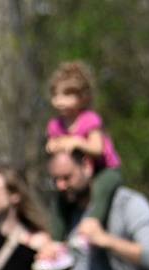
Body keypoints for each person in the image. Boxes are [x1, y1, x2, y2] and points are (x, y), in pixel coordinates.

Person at [48, 150, 149, 270]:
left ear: (87, 166)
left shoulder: (127, 203)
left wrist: (106, 240)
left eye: (67, 177)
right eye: (56, 180)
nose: (61, 185)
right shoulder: (69, 212)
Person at [44, 61, 123, 243]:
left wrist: (77, 141)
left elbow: (97, 149)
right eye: (55, 95)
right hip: (79, 174)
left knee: (101, 190)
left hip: (106, 170)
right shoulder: (55, 125)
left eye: (66, 94)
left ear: (82, 97)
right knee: (59, 200)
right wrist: (54, 145)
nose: (59, 100)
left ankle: (92, 224)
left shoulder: (89, 120)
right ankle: (55, 241)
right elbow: (51, 146)